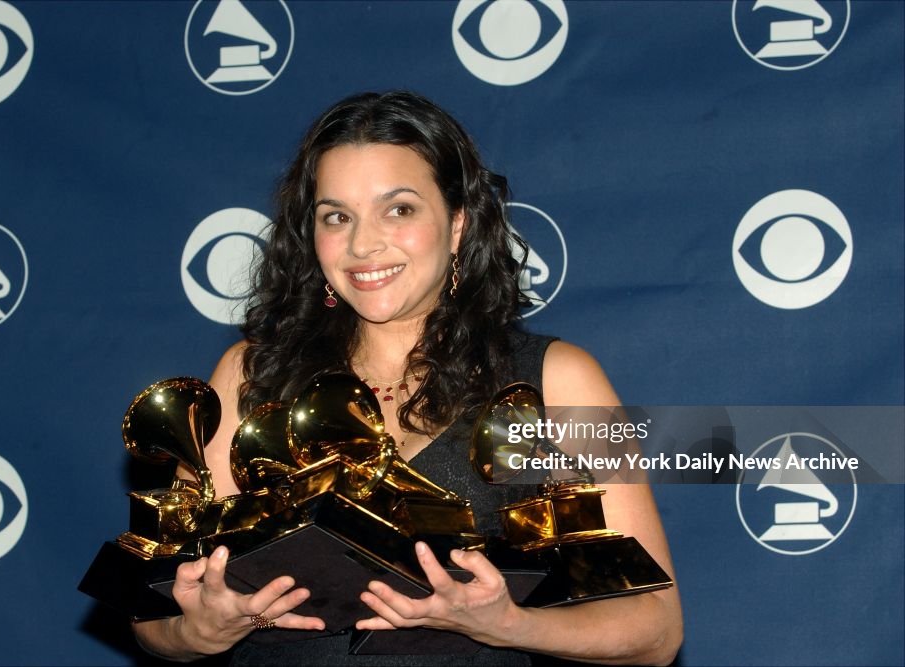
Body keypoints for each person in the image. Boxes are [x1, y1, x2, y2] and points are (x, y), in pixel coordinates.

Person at [133, 91, 682, 665]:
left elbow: (654, 628)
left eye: (399, 209)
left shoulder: (558, 380)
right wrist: (198, 631)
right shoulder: (250, 374)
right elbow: (156, 616)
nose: (363, 244)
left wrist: (508, 624)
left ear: (458, 224)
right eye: (336, 216)